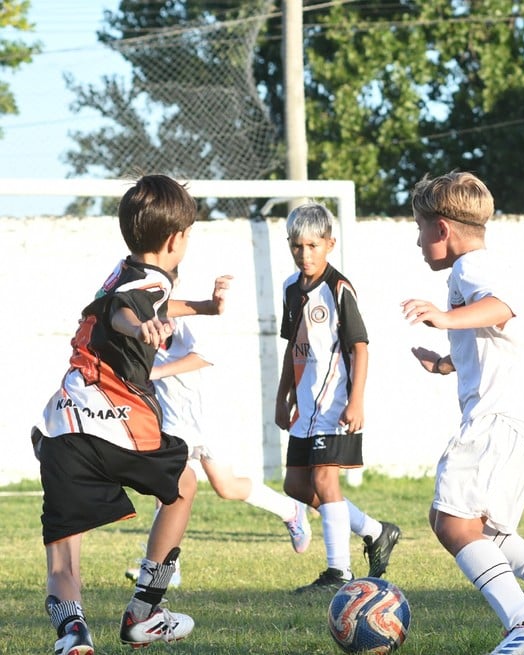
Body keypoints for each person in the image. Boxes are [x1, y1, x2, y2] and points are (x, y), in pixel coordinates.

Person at [36, 174, 231, 653]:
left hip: (63, 423)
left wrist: (203, 307)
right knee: (183, 484)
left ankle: (73, 633)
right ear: (175, 239)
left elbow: (134, 301)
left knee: (64, 554)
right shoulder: (148, 283)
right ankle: (144, 610)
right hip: (115, 422)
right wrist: (141, 325)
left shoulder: (125, 271)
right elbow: (129, 309)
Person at [402, 171, 524, 655]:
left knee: (451, 521)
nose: (418, 240)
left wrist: (443, 318)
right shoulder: (492, 265)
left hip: (501, 417)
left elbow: (500, 309)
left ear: (442, 229)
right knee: (475, 525)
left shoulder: (471, 270)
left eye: (420, 227)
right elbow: (502, 335)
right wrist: (446, 363)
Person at [124, 312, 312, 587]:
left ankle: (290, 509)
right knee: (167, 488)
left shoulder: (183, 316)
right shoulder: (136, 317)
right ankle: (167, 567)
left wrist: (158, 372)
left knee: (225, 486)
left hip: (206, 416)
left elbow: (204, 356)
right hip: (172, 420)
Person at [275, 202, 401, 593]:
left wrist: (356, 400)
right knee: (296, 486)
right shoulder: (290, 289)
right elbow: (292, 347)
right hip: (306, 404)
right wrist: (284, 394)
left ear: (329, 244)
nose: (305, 253)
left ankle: (338, 572)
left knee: (325, 479)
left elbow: (360, 347)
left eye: (313, 245)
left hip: (335, 404)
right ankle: (376, 531)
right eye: (297, 246)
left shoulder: (338, 288)